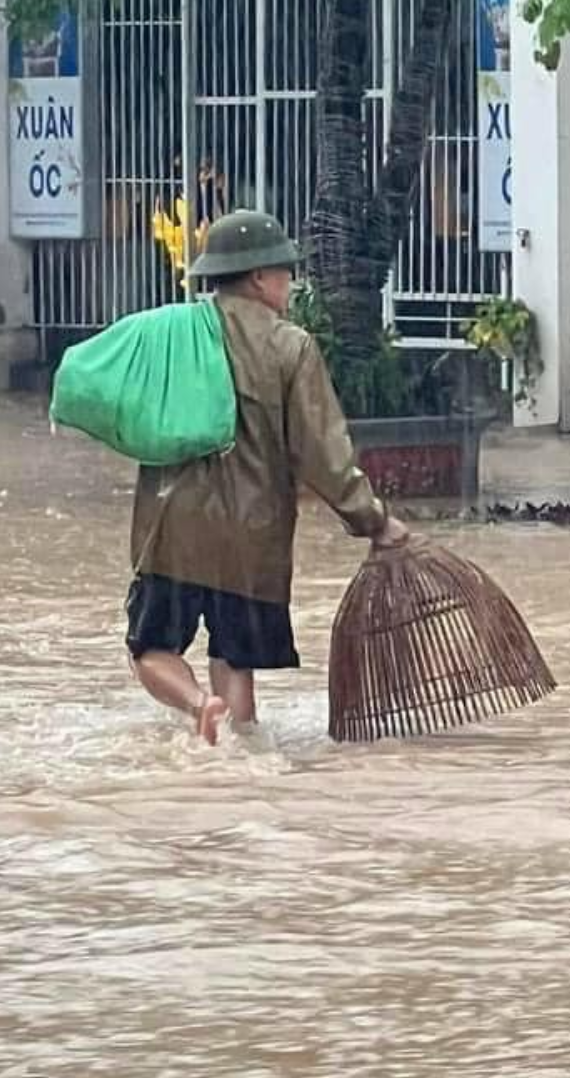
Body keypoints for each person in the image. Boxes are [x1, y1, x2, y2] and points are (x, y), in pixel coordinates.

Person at [126, 208, 409, 743]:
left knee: (152, 648)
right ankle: (244, 761)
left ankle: (196, 704)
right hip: (252, 541)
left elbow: (130, 412)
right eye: (284, 271)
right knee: (236, 658)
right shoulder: (290, 345)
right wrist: (373, 521)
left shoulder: (174, 333)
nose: (291, 282)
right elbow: (321, 451)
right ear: (258, 277)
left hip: (171, 529)